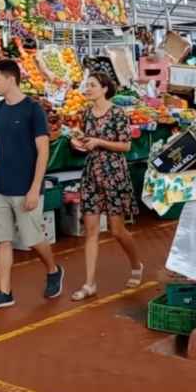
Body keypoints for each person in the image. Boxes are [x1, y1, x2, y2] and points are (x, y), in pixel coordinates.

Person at [0, 59, 63, 311]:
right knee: (1, 240)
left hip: (25, 187)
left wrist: (35, 188)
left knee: (32, 239)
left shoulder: (33, 110)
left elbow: (43, 150)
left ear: (11, 79)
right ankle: (5, 292)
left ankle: (53, 269)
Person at [70, 72, 143, 301]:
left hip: (114, 174)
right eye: (87, 85)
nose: (87, 88)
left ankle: (136, 264)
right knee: (91, 230)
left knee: (116, 230)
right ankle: (89, 283)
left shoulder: (118, 114)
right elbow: (85, 139)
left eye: (92, 85)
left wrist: (99, 142)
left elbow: (126, 146)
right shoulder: (86, 114)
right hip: (92, 174)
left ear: (104, 88)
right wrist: (79, 141)